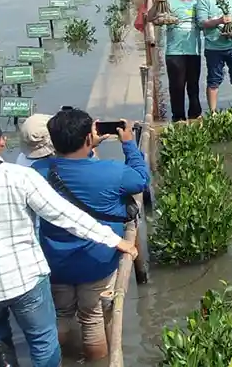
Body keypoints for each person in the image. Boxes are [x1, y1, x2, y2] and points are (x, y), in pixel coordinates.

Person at [0, 116, 137, 367]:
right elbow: (66, 215)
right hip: (25, 279)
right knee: (43, 339)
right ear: (2, 142)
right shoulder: (21, 177)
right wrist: (114, 240)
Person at [32, 110, 149, 361]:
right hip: (96, 261)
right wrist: (128, 143)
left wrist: (87, 147)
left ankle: (63, 360)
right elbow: (140, 180)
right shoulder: (111, 172)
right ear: (88, 138)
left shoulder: (37, 172)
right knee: (92, 318)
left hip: (55, 263)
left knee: (62, 315)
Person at [151, 0, 203, 122]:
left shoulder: (198, 4)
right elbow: (151, 18)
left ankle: (195, 114)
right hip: (175, 52)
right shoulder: (170, 3)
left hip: (194, 51)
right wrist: (157, 2)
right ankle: (178, 116)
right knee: (177, 86)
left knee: (193, 85)